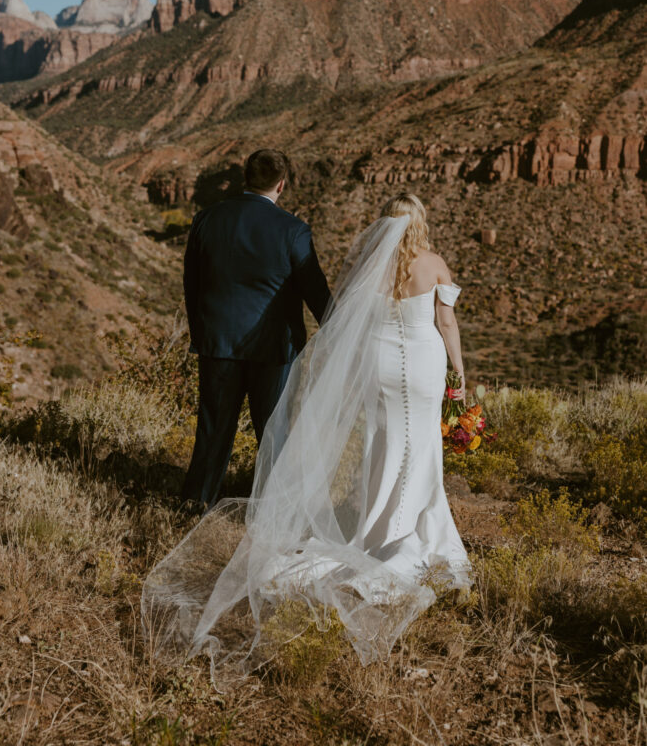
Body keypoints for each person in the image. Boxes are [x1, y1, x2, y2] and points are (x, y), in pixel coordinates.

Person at [144, 191, 471, 683]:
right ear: (420, 224)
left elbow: (344, 316)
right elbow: (445, 320)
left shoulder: (371, 265)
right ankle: (410, 528)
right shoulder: (434, 263)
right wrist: (460, 372)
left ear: (386, 226)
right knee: (419, 442)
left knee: (383, 441)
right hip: (423, 364)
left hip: (380, 366)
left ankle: (376, 525)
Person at [180, 148, 331, 509]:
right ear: (282, 184)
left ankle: (196, 502)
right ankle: (276, 508)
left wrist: (201, 333)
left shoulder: (207, 219)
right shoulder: (293, 230)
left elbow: (192, 283)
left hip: (218, 343)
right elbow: (316, 292)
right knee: (273, 431)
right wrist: (339, 329)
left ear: (245, 179)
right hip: (274, 348)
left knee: (213, 429)